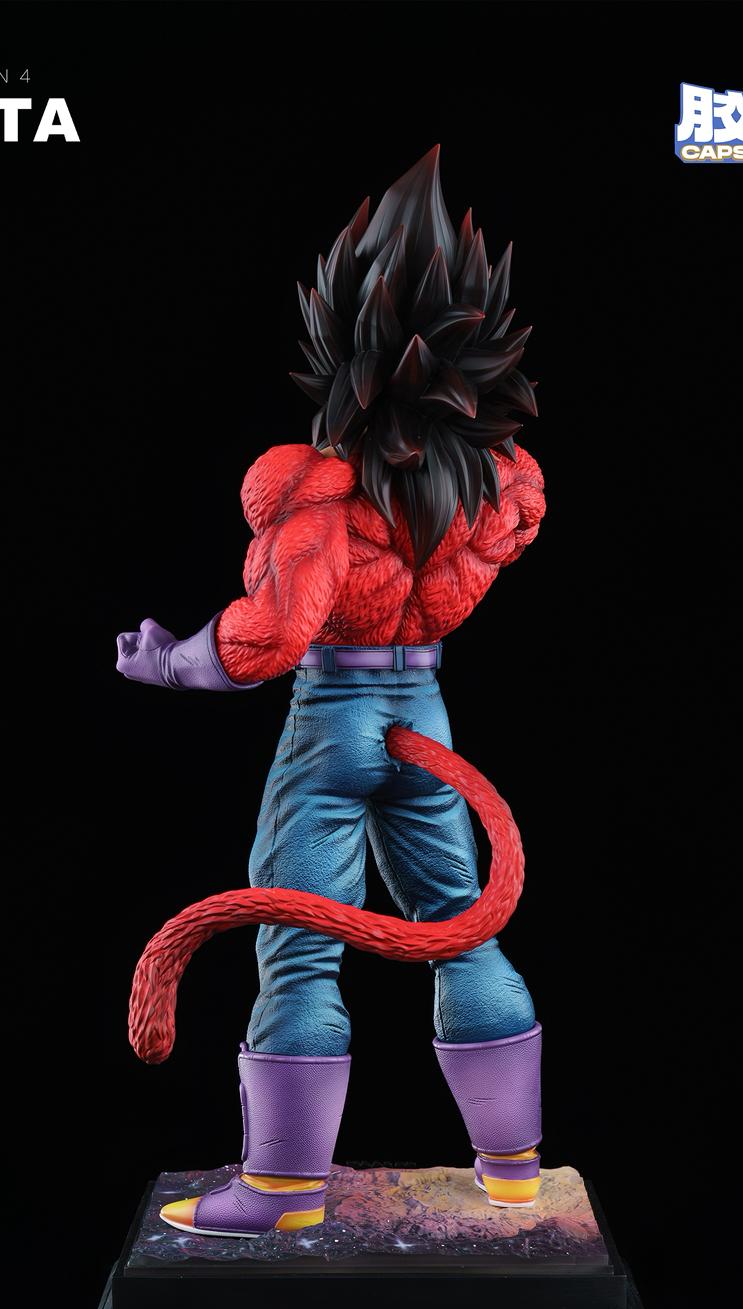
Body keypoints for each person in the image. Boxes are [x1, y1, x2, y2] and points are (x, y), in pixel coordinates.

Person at [117, 147, 546, 1237]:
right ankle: (513, 1172)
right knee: (462, 929)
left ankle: (279, 1191)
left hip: (334, 718)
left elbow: (270, 637)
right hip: (423, 712)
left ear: (342, 343)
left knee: (298, 948)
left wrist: (168, 659)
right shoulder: (495, 487)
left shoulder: (320, 492)